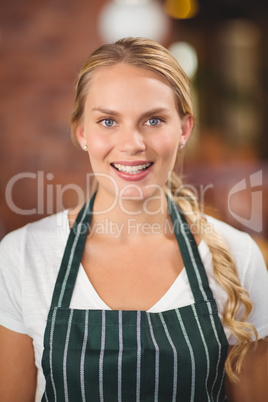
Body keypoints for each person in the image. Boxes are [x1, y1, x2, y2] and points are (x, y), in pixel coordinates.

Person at [0, 37, 267, 402]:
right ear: (82, 133)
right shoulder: (22, 256)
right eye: (108, 121)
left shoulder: (239, 256)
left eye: (154, 120)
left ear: (184, 129)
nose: (132, 143)